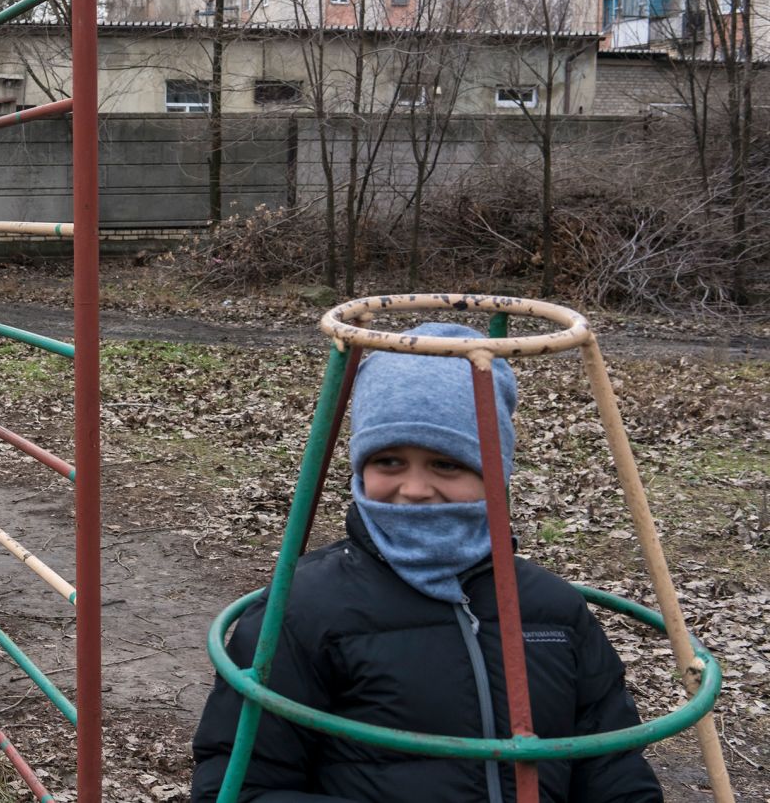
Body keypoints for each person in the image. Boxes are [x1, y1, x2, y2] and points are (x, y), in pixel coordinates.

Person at [192, 322, 662, 803]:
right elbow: (238, 788)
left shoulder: (554, 612)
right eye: (389, 462)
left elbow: (613, 771)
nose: (414, 490)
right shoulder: (303, 611)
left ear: (494, 472)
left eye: (446, 464)